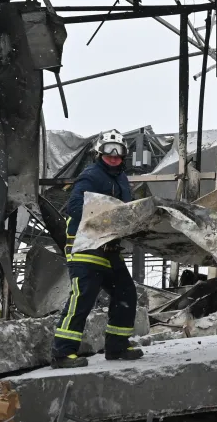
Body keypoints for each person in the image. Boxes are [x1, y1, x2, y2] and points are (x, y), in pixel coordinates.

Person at [51, 129, 144, 369]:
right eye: (108, 152)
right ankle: (62, 353)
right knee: (84, 295)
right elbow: (74, 207)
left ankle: (117, 346)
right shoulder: (91, 176)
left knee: (125, 292)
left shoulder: (121, 180)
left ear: (123, 156)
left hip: (109, 247)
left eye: (118, 153)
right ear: (99, 153)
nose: (113, 156)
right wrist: (106, 219)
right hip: (86, 245)